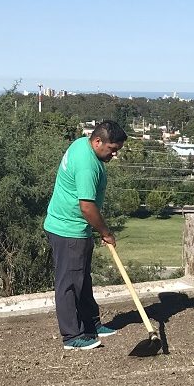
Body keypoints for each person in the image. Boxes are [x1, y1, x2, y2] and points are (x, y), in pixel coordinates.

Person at [43, 120, 127, 350]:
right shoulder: (87, 165)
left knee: (82, 279)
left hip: (76, 228)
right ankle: (72, 336)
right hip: (68, 230)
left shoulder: (82, 143)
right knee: (69, 283)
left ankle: (91, 324)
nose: (114, 155)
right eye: (112, 149)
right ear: (98, 141)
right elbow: (87, 207)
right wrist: (105, 232)